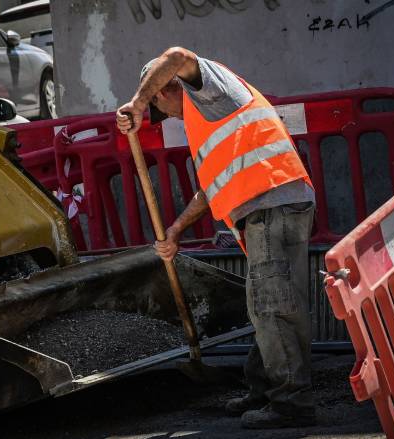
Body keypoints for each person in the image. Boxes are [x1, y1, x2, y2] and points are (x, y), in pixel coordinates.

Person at [116, 47, 316, 429]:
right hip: (269, 206)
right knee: (265, 303)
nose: (165, 117)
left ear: (162, 90)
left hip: (274, 200)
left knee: (274, 305)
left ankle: (292, 402)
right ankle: (264, 390)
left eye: (159, 109)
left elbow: (175, 54)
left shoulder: (210, 90)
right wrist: (175, 230)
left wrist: (136, 103)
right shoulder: (202, 118)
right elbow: (211, 189)